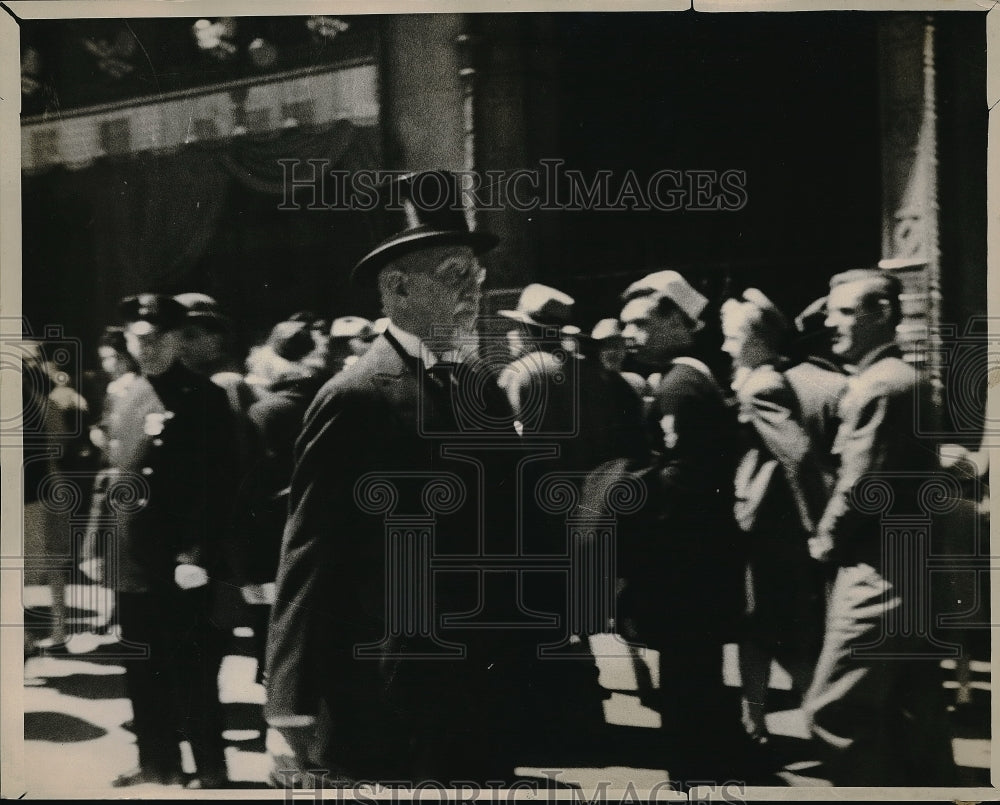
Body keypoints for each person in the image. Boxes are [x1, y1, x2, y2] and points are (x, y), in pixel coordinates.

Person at [265, 171, 525, 785]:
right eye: (454, 277)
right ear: (397, 285)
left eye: (477, 279)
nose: (473, 295)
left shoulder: (480, 387)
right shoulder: (355, 395)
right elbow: (310, 549)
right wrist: (287, 706)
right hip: (382, 696)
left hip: (478, 689)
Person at [800, 269, 957, 786]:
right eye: (832, 311)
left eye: (846, 311)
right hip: (909, 567)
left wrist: (824, 541)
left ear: (884, 314)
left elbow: (861, 487)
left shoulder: (882, 386)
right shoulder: (900, 380)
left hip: (878, 573)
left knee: (832, 710)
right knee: (914, 718)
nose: (831, 322)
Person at [82, 294, 236, 788]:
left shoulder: (205, 397)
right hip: (132, 558)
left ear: (174, 338)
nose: (146, 348)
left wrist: (196, 555)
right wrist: (96, 547)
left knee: (191, 670)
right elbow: (112, 478)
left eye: (155, 339)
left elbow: (219, 486)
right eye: (137, 339)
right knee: (142, 669)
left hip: (179, 562)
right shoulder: (125, 395)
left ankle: (211, 769)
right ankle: (157, 763)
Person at [618, 270, 749, 784]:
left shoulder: (679, 385)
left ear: (677, 321)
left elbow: (681, 481)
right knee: (699, 676)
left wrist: (628, 491)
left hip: (684, 568)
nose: (630, 334)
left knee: (686, 682)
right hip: (702, 563)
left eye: (642, 322)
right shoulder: (693, 376)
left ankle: (696, 777)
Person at [720, 289, 845, 744]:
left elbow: (800, 456)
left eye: (731, 337)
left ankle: (822, 723)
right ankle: (754, 723)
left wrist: (818, 527)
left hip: (769, 529)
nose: (724, 346)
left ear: (755, 340)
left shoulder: (761, 387)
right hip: (762, 525)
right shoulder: (758, 380)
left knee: (778, 629)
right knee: (757, 626)